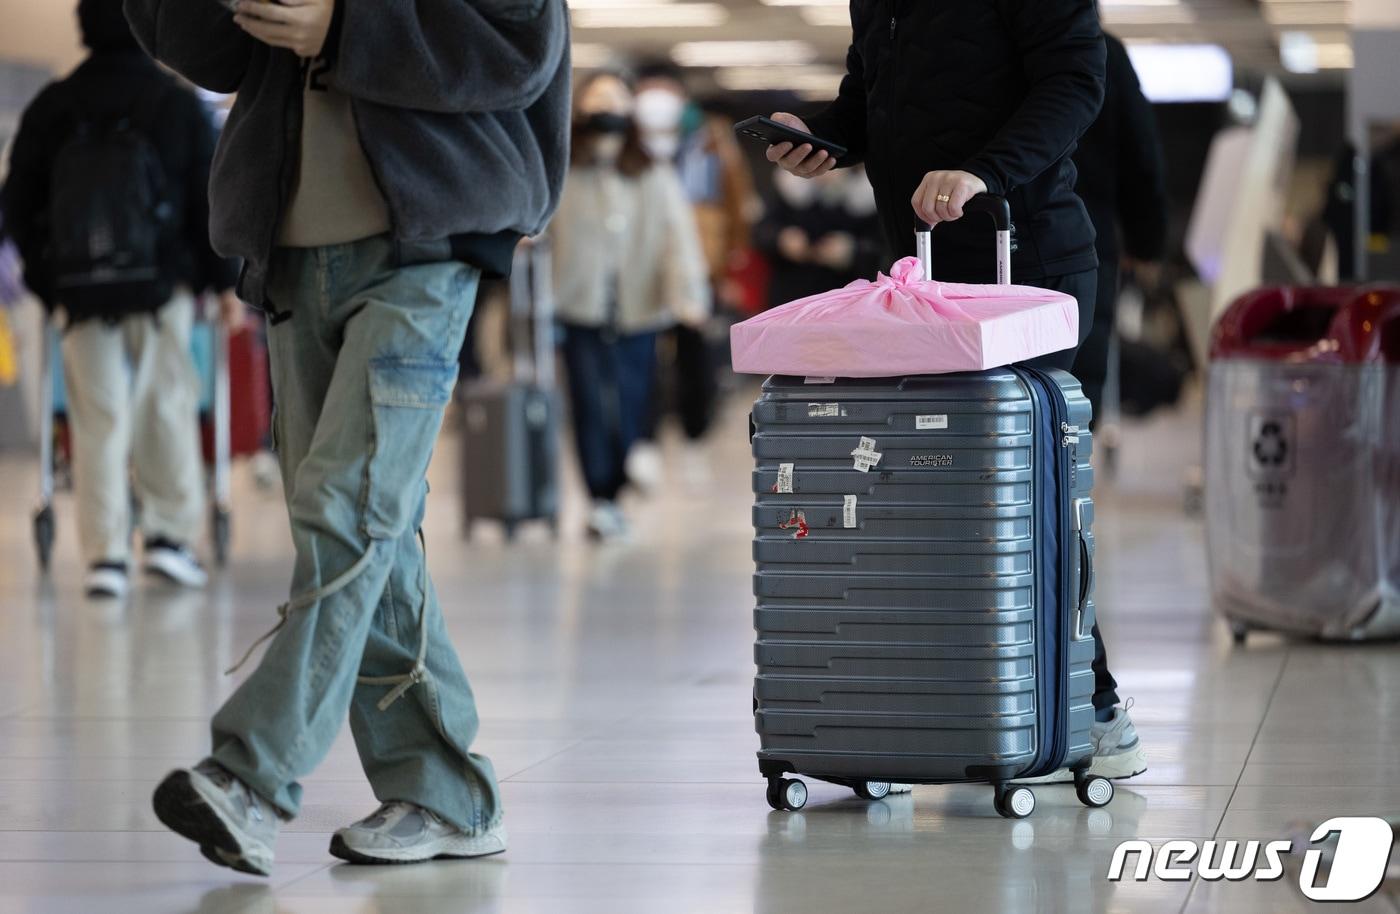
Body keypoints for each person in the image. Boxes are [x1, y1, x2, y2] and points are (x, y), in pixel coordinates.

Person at [123, 0, 569, 874]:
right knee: (373, 531)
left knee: (346, 509)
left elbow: (519, 48)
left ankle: (250, 778)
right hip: (289, 252)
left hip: (427, 246)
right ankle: (447, 794)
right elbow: (217, 52)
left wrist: (346, 29)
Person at [765, 0, 1145, 782]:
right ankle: (935, 705)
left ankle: (1094, 704)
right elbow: (872, 101)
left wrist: (985, 171)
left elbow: (1074, 84)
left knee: (1018, 492)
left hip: (1026, 256)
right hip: (921, 267)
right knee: (912, 490)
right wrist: (824, 140)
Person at [1, 0, 242, 600]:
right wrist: (220, 283)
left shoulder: (52, 107)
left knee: (97, 419)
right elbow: (206, 204)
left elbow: (17, 208)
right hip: (163, 290)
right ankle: (166, 539)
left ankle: (105, 555)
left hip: (81, 296)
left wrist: (50, 279)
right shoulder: (175, 103)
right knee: (166, 404)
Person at [551, 71, 710, 541]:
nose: (606, 112)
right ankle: (600, 496)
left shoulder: (653, 172)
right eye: (596, 103)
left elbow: (678, 238)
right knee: (587, 404)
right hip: (578, 306)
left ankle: (618, 486)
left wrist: (689, 296)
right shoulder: (563, 170)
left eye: (615, 102)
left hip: (640, 308)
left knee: (630, 397)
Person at [630, 64, 755, 486]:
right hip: (642, 264)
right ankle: (642, 440)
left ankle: (694, 439)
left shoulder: (710, 141)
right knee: (642, 353)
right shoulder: (630, 141)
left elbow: (735, 205)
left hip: (700, 265)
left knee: (695, 357)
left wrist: (730, 264)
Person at [1070, 30, 1169, 427]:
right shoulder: (1103, 52)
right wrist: (1146, 244)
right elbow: (1142, 156)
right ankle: (1066, 483)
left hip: (1000, 236)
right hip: (1088, 241)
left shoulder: (1000, 39)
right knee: (1075, 385)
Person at [756, 166, 883, 308]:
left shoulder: (867, 199)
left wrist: (852, 251)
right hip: (790, 296)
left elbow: (883, 251)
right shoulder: (787, 190)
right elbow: (761, 231)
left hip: (844, 301)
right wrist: (781, 238)